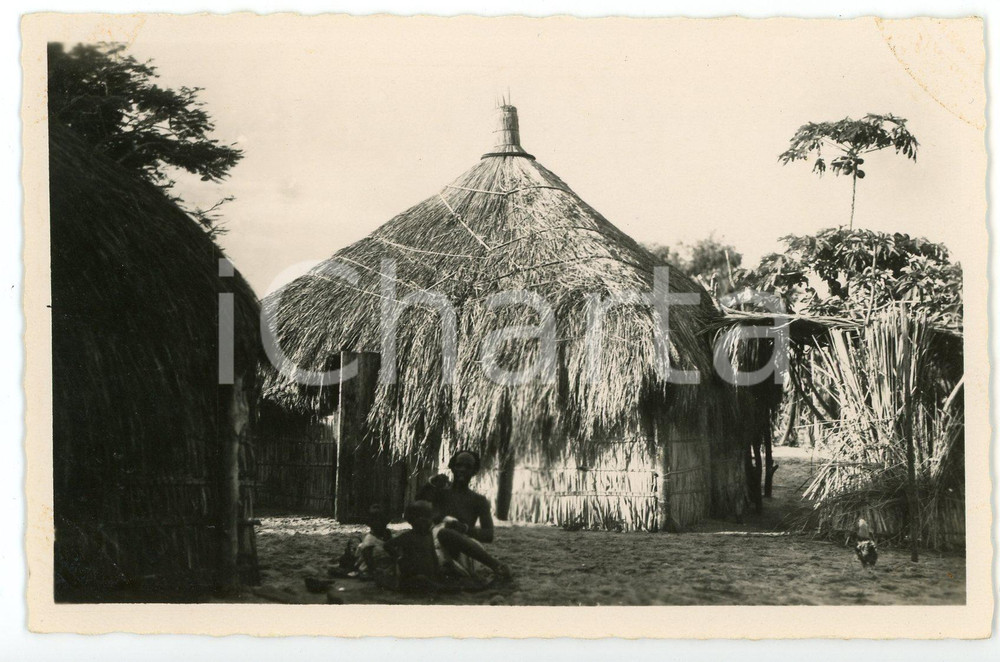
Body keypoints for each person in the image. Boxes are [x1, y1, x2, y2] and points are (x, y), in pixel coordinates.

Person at [432, 450, 512, 585]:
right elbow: (425, 515)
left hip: (465, 548)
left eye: (468, 467)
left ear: (474, 471)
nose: (462, 470)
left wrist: (464, 528)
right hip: (438, 544)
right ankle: (495, 565)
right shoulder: (440, 494)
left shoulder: (479, 500)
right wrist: (432, 486)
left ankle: (494, 565)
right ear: (452, 468)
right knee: (444, 533)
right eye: (459, 465)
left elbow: (488, 535)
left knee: (448, 534)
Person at [383, 500, 458, 593]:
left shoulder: (429, 535)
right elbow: (387, 545)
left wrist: (438, 570)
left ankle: (441, 585)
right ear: (412, 521)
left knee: (444, 573)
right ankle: (440, 588)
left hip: (428, 574)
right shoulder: (408, 536)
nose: (427, 522)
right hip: (412, 577)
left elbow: (433, 554)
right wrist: (398, 557)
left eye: (429, 518)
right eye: (423, 519)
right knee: (421, 580)